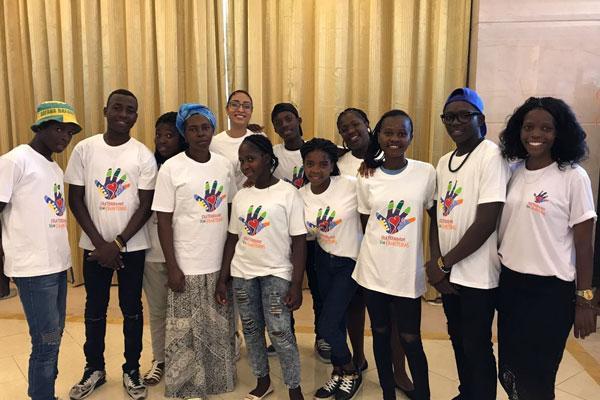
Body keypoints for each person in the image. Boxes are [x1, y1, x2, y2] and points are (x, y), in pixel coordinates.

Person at [497, 97, 597, 399]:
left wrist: (585, 300)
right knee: (509, 371)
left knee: (538, 378)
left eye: (546, 128)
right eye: (528, 127)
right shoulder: (513, 171)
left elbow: (584, 243)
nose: (535, 134)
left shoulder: (573, 176)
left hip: (550, 294)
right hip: (511, 285)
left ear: (559, 132)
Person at [66, 89, 157, 400]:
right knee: (94, 307)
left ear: (136, 117)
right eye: (117, 108)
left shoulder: (143, 155)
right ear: (105, 110)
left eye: (130, 110)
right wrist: (101, 244)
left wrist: (117, 243)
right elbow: (75, 199)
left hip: (132, 247)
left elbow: (146, 205)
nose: (123, 114)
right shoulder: (84, 149)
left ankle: (132, 369)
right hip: (94, 246)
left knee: (132, 309)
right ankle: (94, 368)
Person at [425, 88, 511, 400]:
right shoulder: (444, 161)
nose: (456, 122)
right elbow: (436, 216)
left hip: (478, 275)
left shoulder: (492, 156)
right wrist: (438, 263)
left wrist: (443, 264)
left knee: (476, 344)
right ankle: (467, 393)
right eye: (449, 117)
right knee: (457, 338)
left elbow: (487, 221)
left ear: (480, 119)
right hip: (449, 272)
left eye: (464, 115)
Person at [152, 104, 238, 398]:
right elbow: (164, 221)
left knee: (217, 328)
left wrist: (227, 267)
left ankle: (218, 382)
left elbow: (231, 217)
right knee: (185, 331)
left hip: (217, 263)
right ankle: (187, 386)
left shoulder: (224, 166)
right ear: (184, 133)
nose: (201, 134)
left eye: (205, 128)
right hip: (185, 264)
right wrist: (172, 267)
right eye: (193, 129)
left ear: (213, 130)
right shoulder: (171, 168)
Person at [0, 101, 81, 400]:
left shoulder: (55, 167)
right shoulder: (15, 161)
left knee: (54, 336)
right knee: (45, 341)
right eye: (59, 129)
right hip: (33, 269)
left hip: (57, 265)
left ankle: (46, 393)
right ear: (41, 127)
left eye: (70, 132)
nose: (65, 137)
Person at [215, 134, 307, 400]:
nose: (246, 166)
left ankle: (294, 388)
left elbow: (299, 242)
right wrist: (223, 277)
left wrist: (296, 284)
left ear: (267, 158)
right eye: (242, 161)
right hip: (243, 273)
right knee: (252, 330)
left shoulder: (288, 193)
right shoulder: (242, 196)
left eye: (251, 159)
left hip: (276, 273)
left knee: (280, 331)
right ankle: (263, 381)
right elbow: (233, 238)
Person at [356, 110, 433, 400]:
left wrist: (436, 260)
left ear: (411, 137)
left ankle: (423, 394)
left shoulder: (426, 172)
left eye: (402, 133)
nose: (395, 139)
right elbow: (367, 224)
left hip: (406, 272)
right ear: (378, 135)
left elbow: (434, 218)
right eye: (388, 133)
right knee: (379, 332)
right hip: (373, 271)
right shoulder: (367, 175)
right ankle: (388, 393)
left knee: (410, 338)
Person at [336, 108, 414, 394]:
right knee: (354, 307)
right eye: (344, 128)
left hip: (386, 249)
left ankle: (399, 371)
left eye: (355, 124)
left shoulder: (388, 154)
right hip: (349, 246)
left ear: (369, 125)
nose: (351, 131)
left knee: (392, 317)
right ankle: (358, 358)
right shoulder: (339, 162)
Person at [298, 138, 363, 399]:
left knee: (326, 326)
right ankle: (339, 371)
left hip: (349, 261)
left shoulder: (350, 185)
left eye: (323, 164)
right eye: (310, 164)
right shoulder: (301, 195)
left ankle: (351, 371)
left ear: (332, 164)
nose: (316, 170)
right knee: (336, 321)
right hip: (323, 261)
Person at [271, 102, 331, 362]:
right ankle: (286, 336)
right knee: (284, 288)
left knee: (319, 289)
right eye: (278, 122)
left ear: (299, 120)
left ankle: (323, 336)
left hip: (315, 236)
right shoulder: (273, 154)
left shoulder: (314, 150)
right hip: (284, 236)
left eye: (289, 119)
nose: (285, 125)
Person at [141, 112, 186, 386]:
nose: (162, 140)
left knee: (183, 313)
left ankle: (184, 358)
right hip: (153, 252)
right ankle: (159, 359)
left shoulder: (188, 166)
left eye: (169, 135)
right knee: (158, 310)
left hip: (184, 254)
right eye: (159, 135)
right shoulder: (149, 166)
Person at [210, 90, 263, 189]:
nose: (240, 110)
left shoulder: (260, 139)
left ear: (251, 111)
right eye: (234, 105)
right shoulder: (214, 143)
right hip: (225, 197)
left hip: (256, 196)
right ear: (227, 109)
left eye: (246, 106)